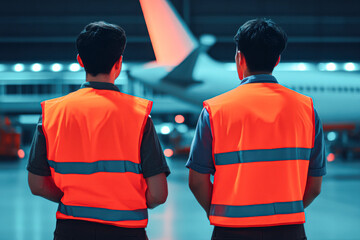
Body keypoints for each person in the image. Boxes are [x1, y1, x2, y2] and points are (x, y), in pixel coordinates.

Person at [27, 21, 170, 240]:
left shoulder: (52, 113)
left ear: (80, 61)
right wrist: (134, 202)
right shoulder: (139, 115)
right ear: (119, 63)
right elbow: (159, 194)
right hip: (126, 230)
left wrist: (73, 200)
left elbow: (37, 185)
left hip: (71, 230)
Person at [187, 18, 326, 240]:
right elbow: (315, 186)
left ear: (239, 58)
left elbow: (196, 181)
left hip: (230, 231)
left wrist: (221, 212)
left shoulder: (214, 110)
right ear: (277, 60)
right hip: (289, 230)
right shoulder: (307, 109)